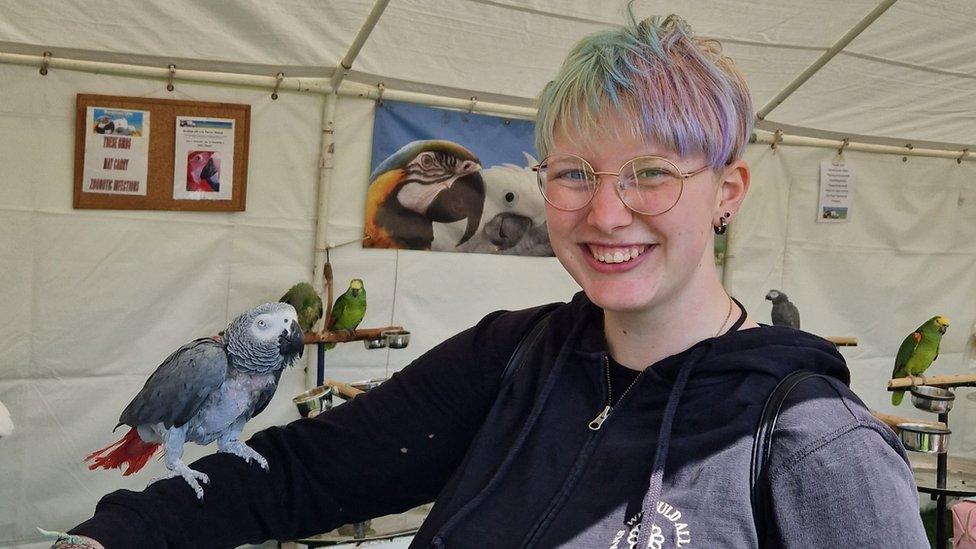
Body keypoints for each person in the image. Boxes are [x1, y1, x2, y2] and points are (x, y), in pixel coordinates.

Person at [59, 13, 926, 549]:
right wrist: (119, 532)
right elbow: (302, 471)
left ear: (727, 192)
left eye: (651, 174)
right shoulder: (511, 359)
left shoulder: (815, 442)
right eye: (575, 172)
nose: (607, 213)